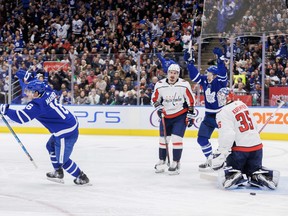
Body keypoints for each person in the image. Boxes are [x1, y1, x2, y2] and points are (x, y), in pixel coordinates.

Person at [0, 80, 90, 185]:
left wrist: (5, 110)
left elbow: (21, 117)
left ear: (37, 93)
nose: (27, 93)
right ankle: (58, 172)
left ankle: (81, 177)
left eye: (31, 92)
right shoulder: (47, 90)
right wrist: (28, 78)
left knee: (63, 161)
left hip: (65, 132)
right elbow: (41, 83)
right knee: (50, 146)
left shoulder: (37, 105)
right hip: (68, 124)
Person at [210, 89, 280, 190]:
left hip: (240, 152)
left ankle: (235, 174)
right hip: (257, 149)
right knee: (252, 169)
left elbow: (227, 135)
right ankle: (256, 174)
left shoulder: (223, 112)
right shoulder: (242, 104)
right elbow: (255, 125)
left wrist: (222, 152)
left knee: (232, 167)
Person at [185, 47, 228, 171]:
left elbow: (223, 73)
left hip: (221, 115)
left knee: (227, 141)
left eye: (208, 72)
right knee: (201, 139)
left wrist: (220, 60)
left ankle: (231, 162)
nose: (206, 73)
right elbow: (194, 77)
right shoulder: (205, 81)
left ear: (214, 75)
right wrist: (190, 64)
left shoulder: (220, 81)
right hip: (209, 116)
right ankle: (210, 159)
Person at [151, 63, 195, 175]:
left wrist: (190, 114)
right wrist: (159, 107)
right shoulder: (160, 85)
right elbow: (154, 99)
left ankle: (176, 162)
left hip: (180, 115)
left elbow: (191, 100)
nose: (172, 75)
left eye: (175, 73)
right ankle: (162, 160)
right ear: (167, 73)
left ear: (178, 75)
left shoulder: (184, 84)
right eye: (171, 72)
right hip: (165, 116)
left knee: (176, 139)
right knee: (163, 140)